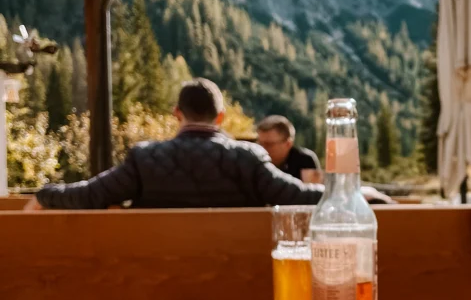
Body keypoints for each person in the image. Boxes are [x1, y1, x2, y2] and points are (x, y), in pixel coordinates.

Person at [31, 79, 324, 210]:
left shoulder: (145, 158)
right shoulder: (250, 158)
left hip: (153, 283)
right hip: (237, 284)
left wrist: (44, 195)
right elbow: (300, 196)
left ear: (177, 114)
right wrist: (359, 191)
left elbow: (89, 196)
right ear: (220, 117)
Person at [256, 115, 322, 183]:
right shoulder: (255, 162)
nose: (262, 148)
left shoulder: (305, 160)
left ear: (288, 144)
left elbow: (313, 191)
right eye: (260, 143)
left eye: (269, 144)